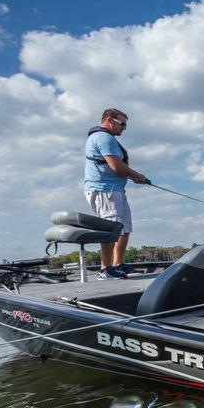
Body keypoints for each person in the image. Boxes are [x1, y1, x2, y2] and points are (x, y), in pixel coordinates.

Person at [83, 108, 147, 280]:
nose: (124, 128)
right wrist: (137, 175)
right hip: (105, 191)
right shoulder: (103, 137)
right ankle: (105, 269)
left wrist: (132, 176)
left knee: (124, 228)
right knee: (111, 230)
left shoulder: (107, 138)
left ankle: (118, 264)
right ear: (110, 120)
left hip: (115, 190)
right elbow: (116, 166)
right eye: (122, 124)